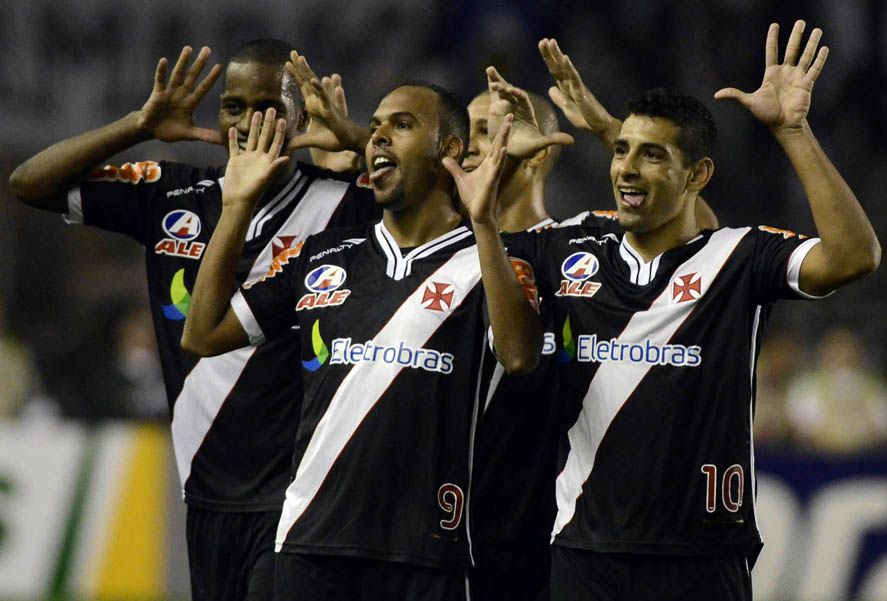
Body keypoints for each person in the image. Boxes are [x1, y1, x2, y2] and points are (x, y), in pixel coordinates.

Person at [488, 22, 880, 601]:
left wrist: (793, 132)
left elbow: (854, 256)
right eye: (621, 151)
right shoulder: (571, 245)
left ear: (698, 175)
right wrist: (501, 173)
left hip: (703, 559)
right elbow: (489, 260)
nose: (625, 168)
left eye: (651, 156)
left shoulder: (739, 258)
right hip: (585, 552)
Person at [8, 39, 379, 601]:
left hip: (300, 500)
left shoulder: (344, 206)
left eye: (269, 107)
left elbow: (454, 203)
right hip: (205, 496)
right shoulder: (173, 193)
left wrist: (353, 138)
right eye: (234, 105)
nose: (247, 122)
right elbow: (30, 184)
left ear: (300, 116)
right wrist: (139, 124)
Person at [181, 79, 546, 599]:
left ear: (448, 150)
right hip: (308, 545)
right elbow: (202, 334)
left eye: (401, 126)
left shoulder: (493, 261)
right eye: (373, 127)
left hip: (426, 554)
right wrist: (237, 204)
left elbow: (518, 356)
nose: (377, 138)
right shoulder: (323, 256)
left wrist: (484, 220)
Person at [466, 69, 718, 601]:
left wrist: (610, 131)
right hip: (431, 531)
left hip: (541, 530)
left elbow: (699, 237)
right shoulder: (412, 254)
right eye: (461, 132)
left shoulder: (584, 245)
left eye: (487, 132)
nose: (468, 147)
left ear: (535, 153)